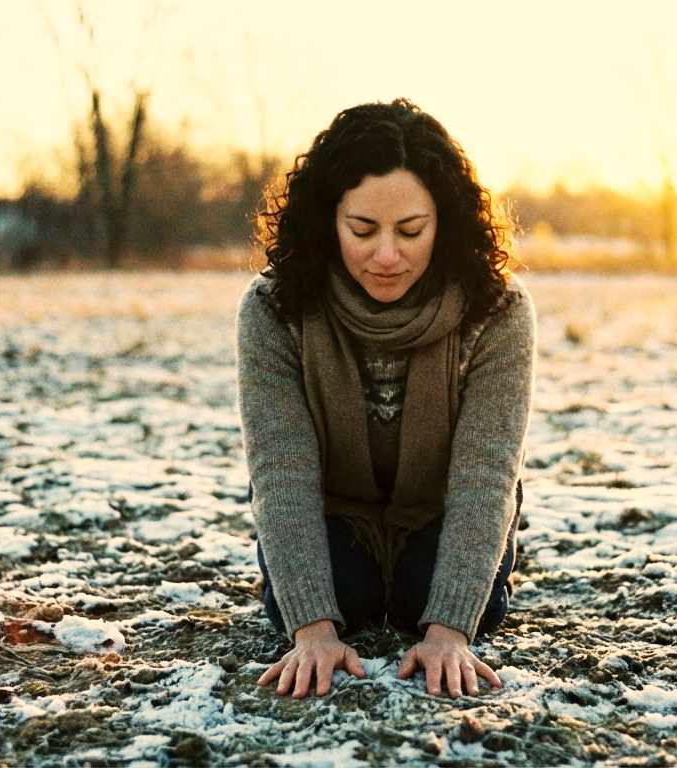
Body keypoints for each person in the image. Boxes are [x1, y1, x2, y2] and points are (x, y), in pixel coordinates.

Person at [235, 98, 535, 700]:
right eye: (363, 230)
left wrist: (450, 631)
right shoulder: (274, 309)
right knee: (337, 600)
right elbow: (281, 469)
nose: (388, 255)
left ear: (444, 222)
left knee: (436, 598)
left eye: (411, 230)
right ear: (329, 221)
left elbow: (486, 474)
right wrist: (313, 629)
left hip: (441, 516)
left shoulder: (498, 310)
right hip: (333, 517)